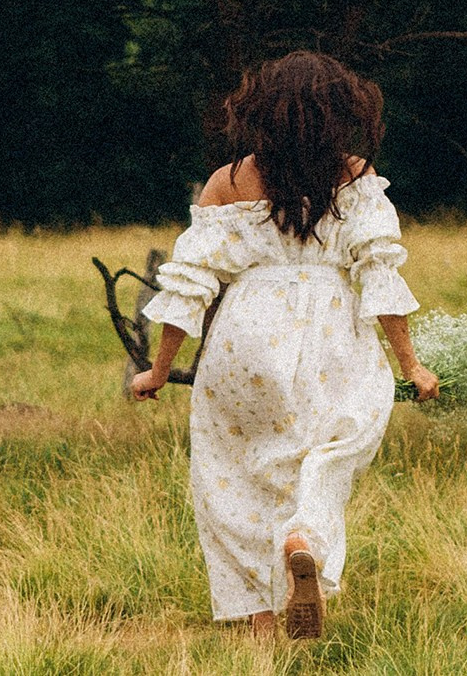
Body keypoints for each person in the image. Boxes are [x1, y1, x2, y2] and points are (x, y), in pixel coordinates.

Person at [128, 50, 438, 640]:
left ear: (264, 111)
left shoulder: (229, 181)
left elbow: (190, 283)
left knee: (235, 471)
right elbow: (379, 274)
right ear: (335, 111)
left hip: (244, 335)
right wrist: (411, 364)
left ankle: (263, 622)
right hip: (330, 333)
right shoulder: (355, 177)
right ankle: (307, 538)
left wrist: (158, 370)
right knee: (338, 444)